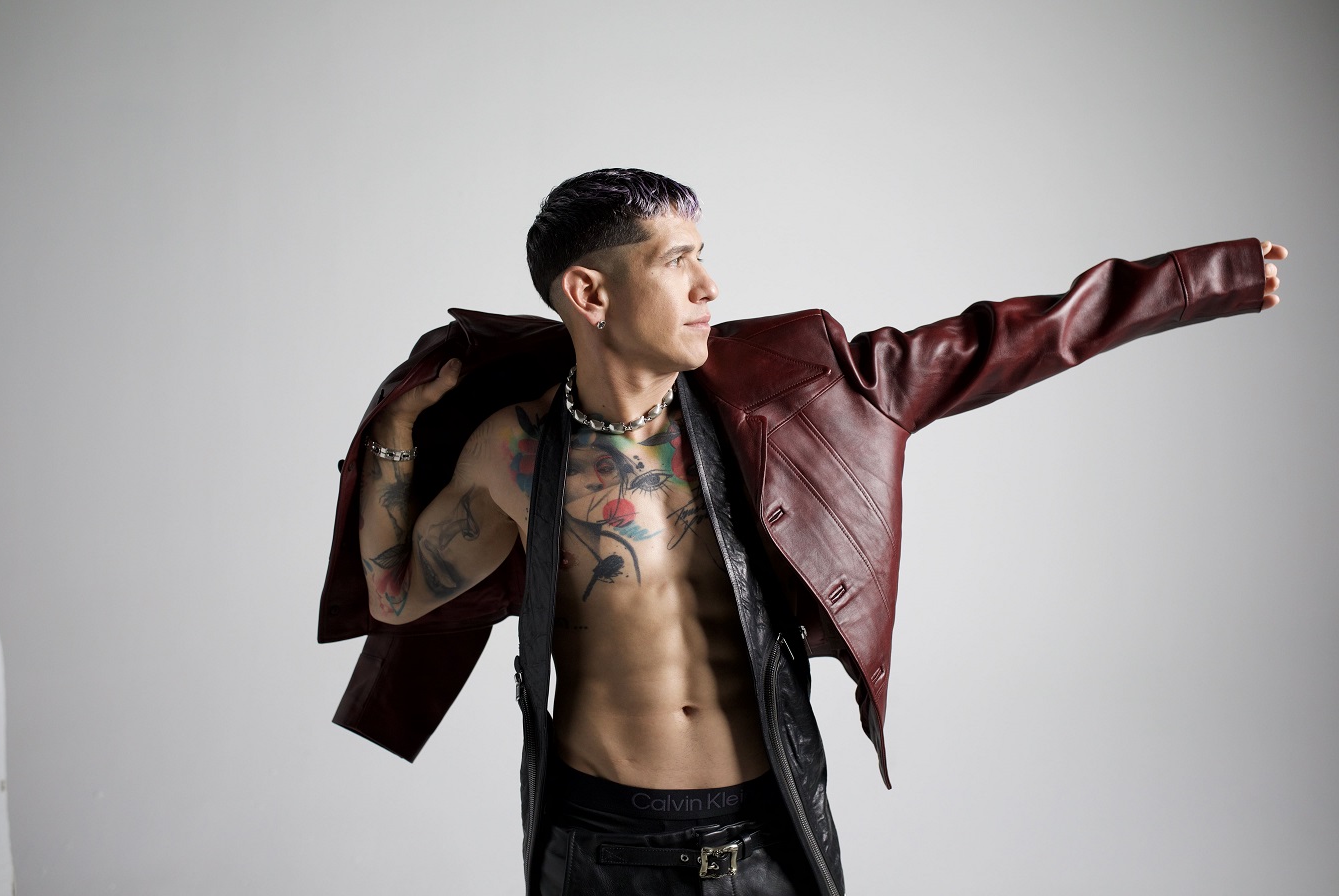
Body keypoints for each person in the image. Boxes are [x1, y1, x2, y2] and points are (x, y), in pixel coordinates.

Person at [318, 168, 1286, 895]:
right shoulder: (515, 452)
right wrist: (395, 436)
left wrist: (1204, 279)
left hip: (766, 837)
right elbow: (397, 595)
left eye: (703, 254)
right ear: (590, 294)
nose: (709, 284)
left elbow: (1008, 338)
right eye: (677, 261)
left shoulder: (793, 402)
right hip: (598, 848)